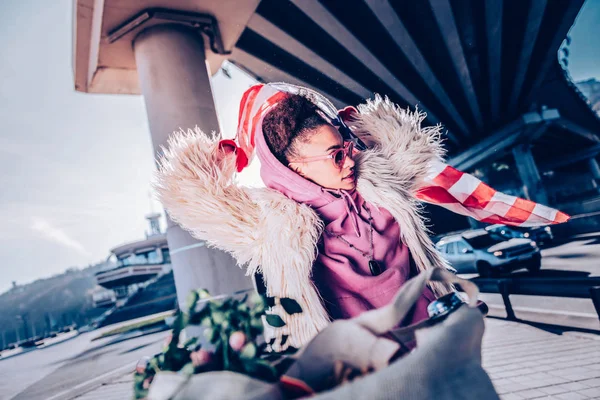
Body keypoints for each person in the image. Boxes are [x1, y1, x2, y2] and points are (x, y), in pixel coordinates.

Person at [155, 83, 568, 351]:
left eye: (348, 146)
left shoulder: (379, 181)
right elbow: (192, 194)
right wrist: (229, 151)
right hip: (360, 365)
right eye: (335, 155)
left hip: (433, 339)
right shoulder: (271, 220)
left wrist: (359, 126)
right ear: (292, 167)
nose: (350, 159)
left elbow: (409, 142)